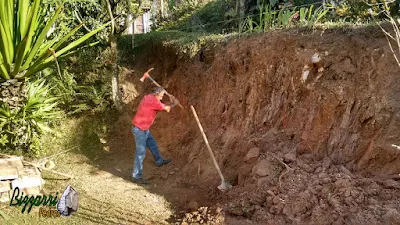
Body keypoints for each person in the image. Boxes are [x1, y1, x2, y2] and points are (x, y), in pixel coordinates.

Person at [131, 86, 179, 184]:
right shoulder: (153, 102)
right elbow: (167, 109)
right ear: (156, 94)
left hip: (144, 128)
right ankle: (136, 176)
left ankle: (159, 161)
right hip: (139, 129)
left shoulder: (149, 98)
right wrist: (175, 103)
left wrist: (171, 102)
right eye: (161, 96)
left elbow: (160, 105)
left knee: (152, 144)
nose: (161, 98)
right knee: (141, 152)